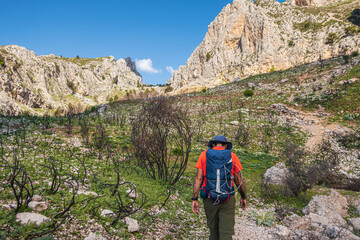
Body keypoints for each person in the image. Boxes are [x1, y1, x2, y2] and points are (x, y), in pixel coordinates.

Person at [192, 135, 247, 240]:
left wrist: (195, 199)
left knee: (213, 230)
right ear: (226, 145)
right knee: (226, 233)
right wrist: (243, 197)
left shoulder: (204, 155)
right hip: (227, 198)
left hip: (209, 198)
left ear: (213, 144)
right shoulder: (232, 156)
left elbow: (198, 179)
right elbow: (238, 180)